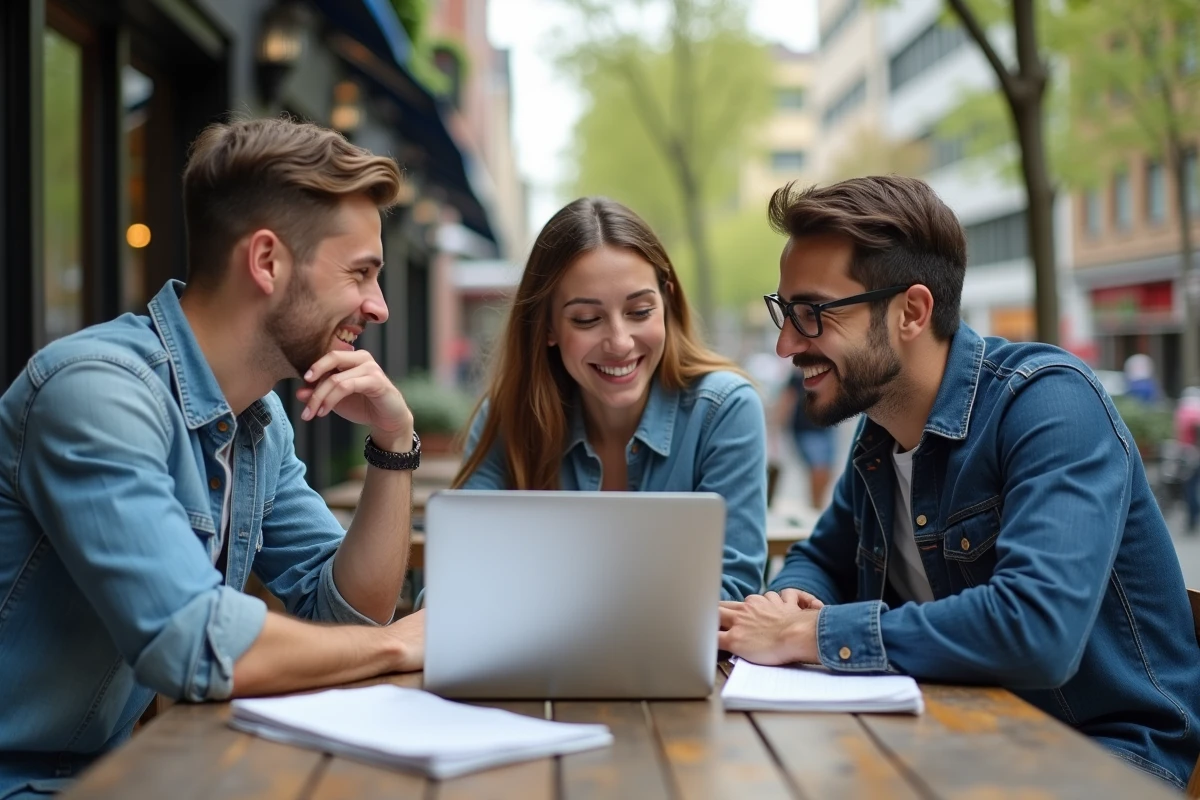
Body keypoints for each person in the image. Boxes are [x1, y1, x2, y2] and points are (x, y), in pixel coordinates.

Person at [718, 176, 1200, 790]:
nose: (787, 344)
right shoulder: (879, 438)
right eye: (785, 313)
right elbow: (822, 558)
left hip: (1101, 758)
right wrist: (788, 602)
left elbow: (1037, 629)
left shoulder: (1049, 405)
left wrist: (810, 633)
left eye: (812, 314)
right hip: (953, 734)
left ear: (912, 312)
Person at [0, 117, 427, 797]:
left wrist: (394, 441)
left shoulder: (258, 421)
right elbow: (190, 640)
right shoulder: (95, 394)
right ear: (266, 262)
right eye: (361, 274)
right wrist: (403, 644)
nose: (377, 307)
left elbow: (345, 615)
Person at [452, 197, 768, 600]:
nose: (619, 343)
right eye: (587, 319)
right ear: (547, 325)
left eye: (639, 311)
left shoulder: (725, 412)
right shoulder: (508, 415)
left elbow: (733, 594)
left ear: (666, 303)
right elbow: (455, 587)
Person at [773, 369, 838, 508]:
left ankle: (817, 505)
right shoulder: (798, 375)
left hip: (826, 427)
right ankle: (816, 507)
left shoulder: (829, 372)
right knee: (818, 468)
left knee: (826, 470)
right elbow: (787, 398)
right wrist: (778, 428)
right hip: (805, 428)